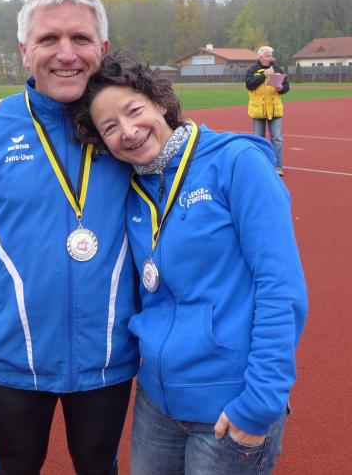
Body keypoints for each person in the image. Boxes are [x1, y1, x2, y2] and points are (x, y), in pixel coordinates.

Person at [0, 0, 139, 475]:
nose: (66, 54)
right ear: (25, 50)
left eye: (80, 38)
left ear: (102, 48)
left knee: (99, 466)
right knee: (16, 467)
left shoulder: (130, 132)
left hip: (108, 359)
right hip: (13, 360)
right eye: (49, 39)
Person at [72, 49, 308, 474]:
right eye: (110, 127)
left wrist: (260, 404)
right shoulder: (134, 189)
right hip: (157, 402)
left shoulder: (235, 164)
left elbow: (280, 287)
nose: (128, 131)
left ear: (160, 102)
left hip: (229, 404)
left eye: (134, 111)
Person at [245, 46, 289, 176]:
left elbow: (286, 87)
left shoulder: (277, 69)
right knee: (259, 140)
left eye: (271, 56)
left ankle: (277, 167)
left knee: (277, 139)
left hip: (275, 110)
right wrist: (264, 75)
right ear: (260, 57)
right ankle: (261, 166)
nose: (271, 58)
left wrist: (281, 88)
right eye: (268, 56)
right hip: (258, 110)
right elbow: (249, 85)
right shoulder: (252, 70)